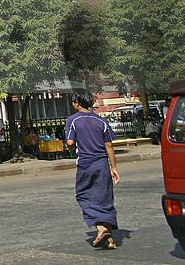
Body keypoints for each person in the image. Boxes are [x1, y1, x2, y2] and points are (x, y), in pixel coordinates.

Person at [65, 90, 120, 250]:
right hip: (102, 163)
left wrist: (73, 146)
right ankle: (109, 239)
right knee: (105, 197)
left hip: (86, 164)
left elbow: (69, 142)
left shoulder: (72, 120)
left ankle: (102, 229)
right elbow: (109, 145)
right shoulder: (100, 121)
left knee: (84, 195)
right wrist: (114, 167)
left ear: (76, 103)